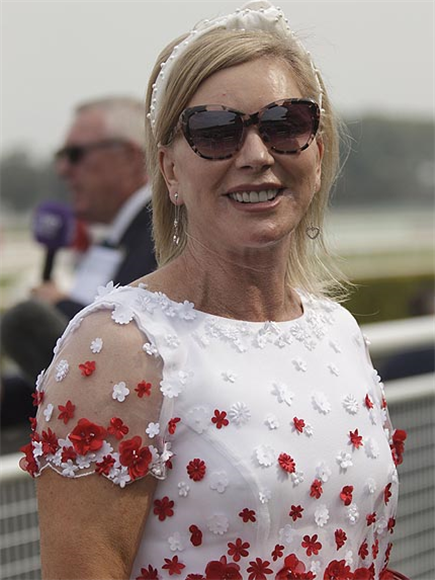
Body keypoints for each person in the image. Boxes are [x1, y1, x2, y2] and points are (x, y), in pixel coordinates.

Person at [20, 3, 407, 579]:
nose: (256, 155)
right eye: (214, 132)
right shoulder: (123, 350)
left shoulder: (338, 331)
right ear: (170, 171)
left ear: (318, 151)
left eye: (285, 124)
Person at [0, 97, 157, 427]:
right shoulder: (117, 240)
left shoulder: (161, 234)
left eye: (75, 155)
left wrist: (58, 305)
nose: (63, 169)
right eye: (60, 157)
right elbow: (56, 374)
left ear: (130, 158)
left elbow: (134, 357)